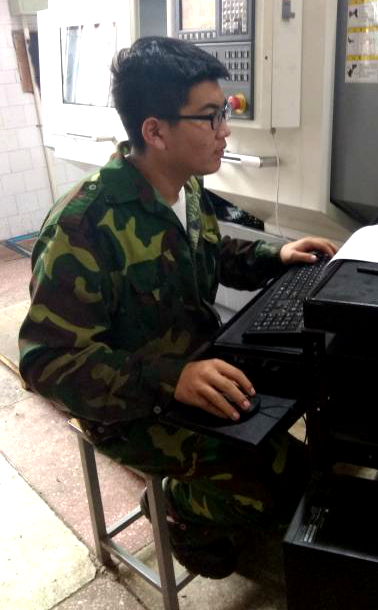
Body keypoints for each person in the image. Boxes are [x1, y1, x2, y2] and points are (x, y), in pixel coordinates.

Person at [18, 36, 337, 578]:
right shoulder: (83, 226)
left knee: (318, 402)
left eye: (224, 111)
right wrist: (172, 380)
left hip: (197, 367)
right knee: (289, 493)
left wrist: (274, 255)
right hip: (131, 408)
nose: (225, 129)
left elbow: (207, 254)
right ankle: (177, 507)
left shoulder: (186, 191)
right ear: (155, 131)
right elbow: (45, 364)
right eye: (210, 117)